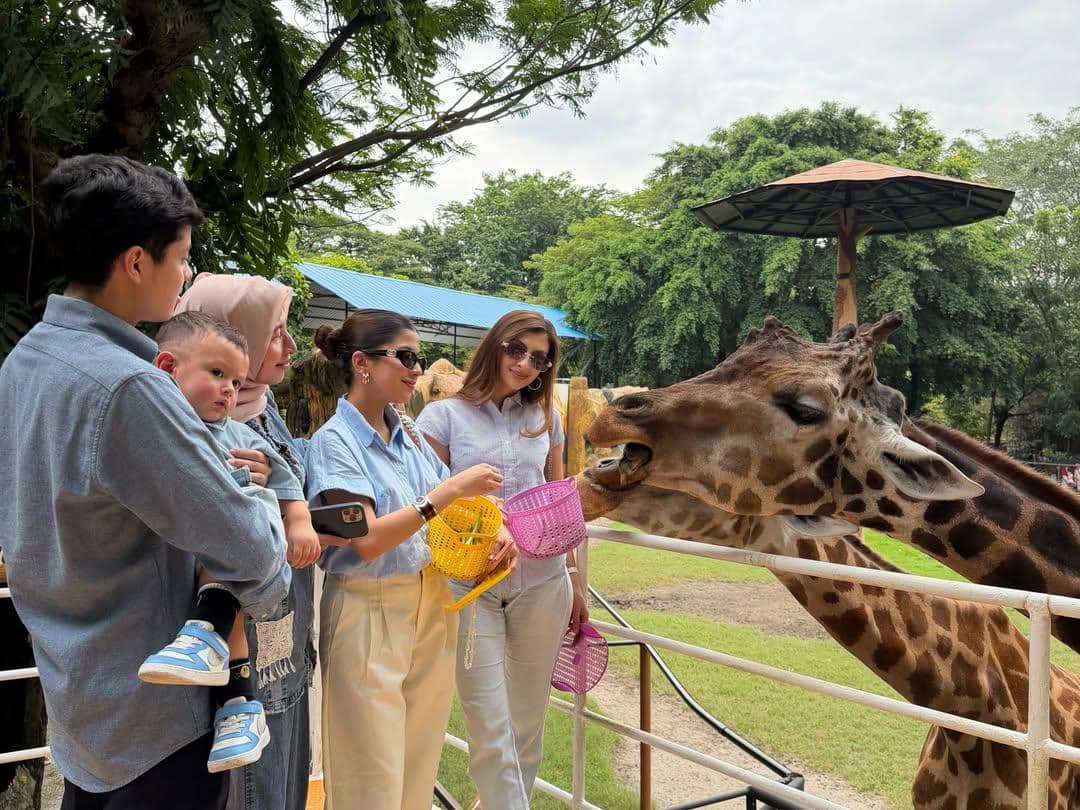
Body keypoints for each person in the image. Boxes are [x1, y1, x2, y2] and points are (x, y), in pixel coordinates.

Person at [0, 154, 291, 809]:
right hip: (157, 722)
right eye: (181, 257)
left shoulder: (25, 361)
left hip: (78, 699)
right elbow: (253, 557)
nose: (185, 273)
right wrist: (266, 500)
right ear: (136, 262)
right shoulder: (131, 388)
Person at [305, 309, 512, 810]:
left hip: (432, 602)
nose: (417, 369)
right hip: (367, 607)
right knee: (367, 775)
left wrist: (495, 524)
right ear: (362, 363)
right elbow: (368, 541)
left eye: (418, 358)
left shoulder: (410, 434)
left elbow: (456, 506)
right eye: (405, 356)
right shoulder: (335, 443)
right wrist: (446, 492)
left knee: (417, 769)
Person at [416, 309, 587, 810]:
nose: (526, 363)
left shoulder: (546, 418)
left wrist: (577, 579)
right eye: (517, 349)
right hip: (474, 585)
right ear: (494, 345)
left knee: (527, 721)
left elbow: (558, 497)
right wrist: (485, 513)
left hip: (544, 580)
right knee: (489, 723)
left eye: (539, 357)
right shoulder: (442, 417)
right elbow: (426, 503)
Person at [137, 311, 321, 772]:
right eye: (217, 374)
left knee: (224, 574)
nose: (228, 391)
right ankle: (240, 708)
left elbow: (283, 477)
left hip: (232, 552)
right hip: (192, 562)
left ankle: (214, 655)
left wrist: (298, 520)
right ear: (166, 368)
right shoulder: (150, 427)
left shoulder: (238, 433)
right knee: (227, 629)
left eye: (237, 382)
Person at [176, 272, 323, 810]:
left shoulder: (262, 411)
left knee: (281, 760)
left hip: (283, 628)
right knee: (243, 777)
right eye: (275, 332)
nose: (289, 346)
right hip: (235, 631)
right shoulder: (187, 423)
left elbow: (290, 492)